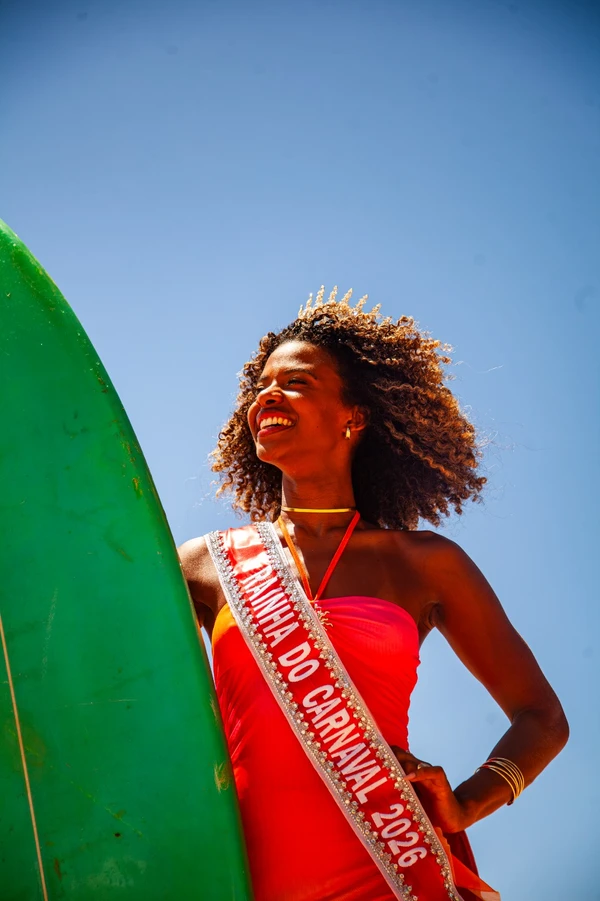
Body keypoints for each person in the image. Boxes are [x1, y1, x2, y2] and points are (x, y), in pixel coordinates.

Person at [179, 287, 568, 901]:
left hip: (390, 860)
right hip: (247, 870)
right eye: (261, 386)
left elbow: (543, 718)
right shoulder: (205, 566)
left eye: (296, 382)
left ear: (352, 417)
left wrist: (466, 803)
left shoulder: (425, 564)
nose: (266, 397)